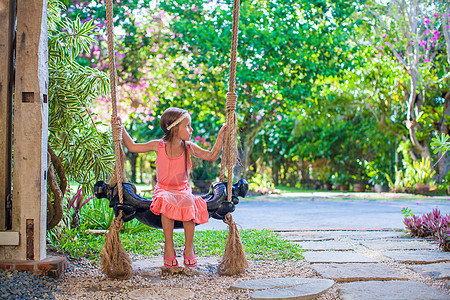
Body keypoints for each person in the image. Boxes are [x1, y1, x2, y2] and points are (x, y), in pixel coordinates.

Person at [112, 107, 227, 268]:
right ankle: (169, 248)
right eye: (187, 126)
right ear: (173, 129)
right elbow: (132, 146)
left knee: (189, 203)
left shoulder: (188, 147)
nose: (191, 130)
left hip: (182, 190)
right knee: (166, 202)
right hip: (164, 189)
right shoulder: (158, 145)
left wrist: (221, 137)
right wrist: (120, 128)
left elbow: (211, 156)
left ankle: (188, 248)